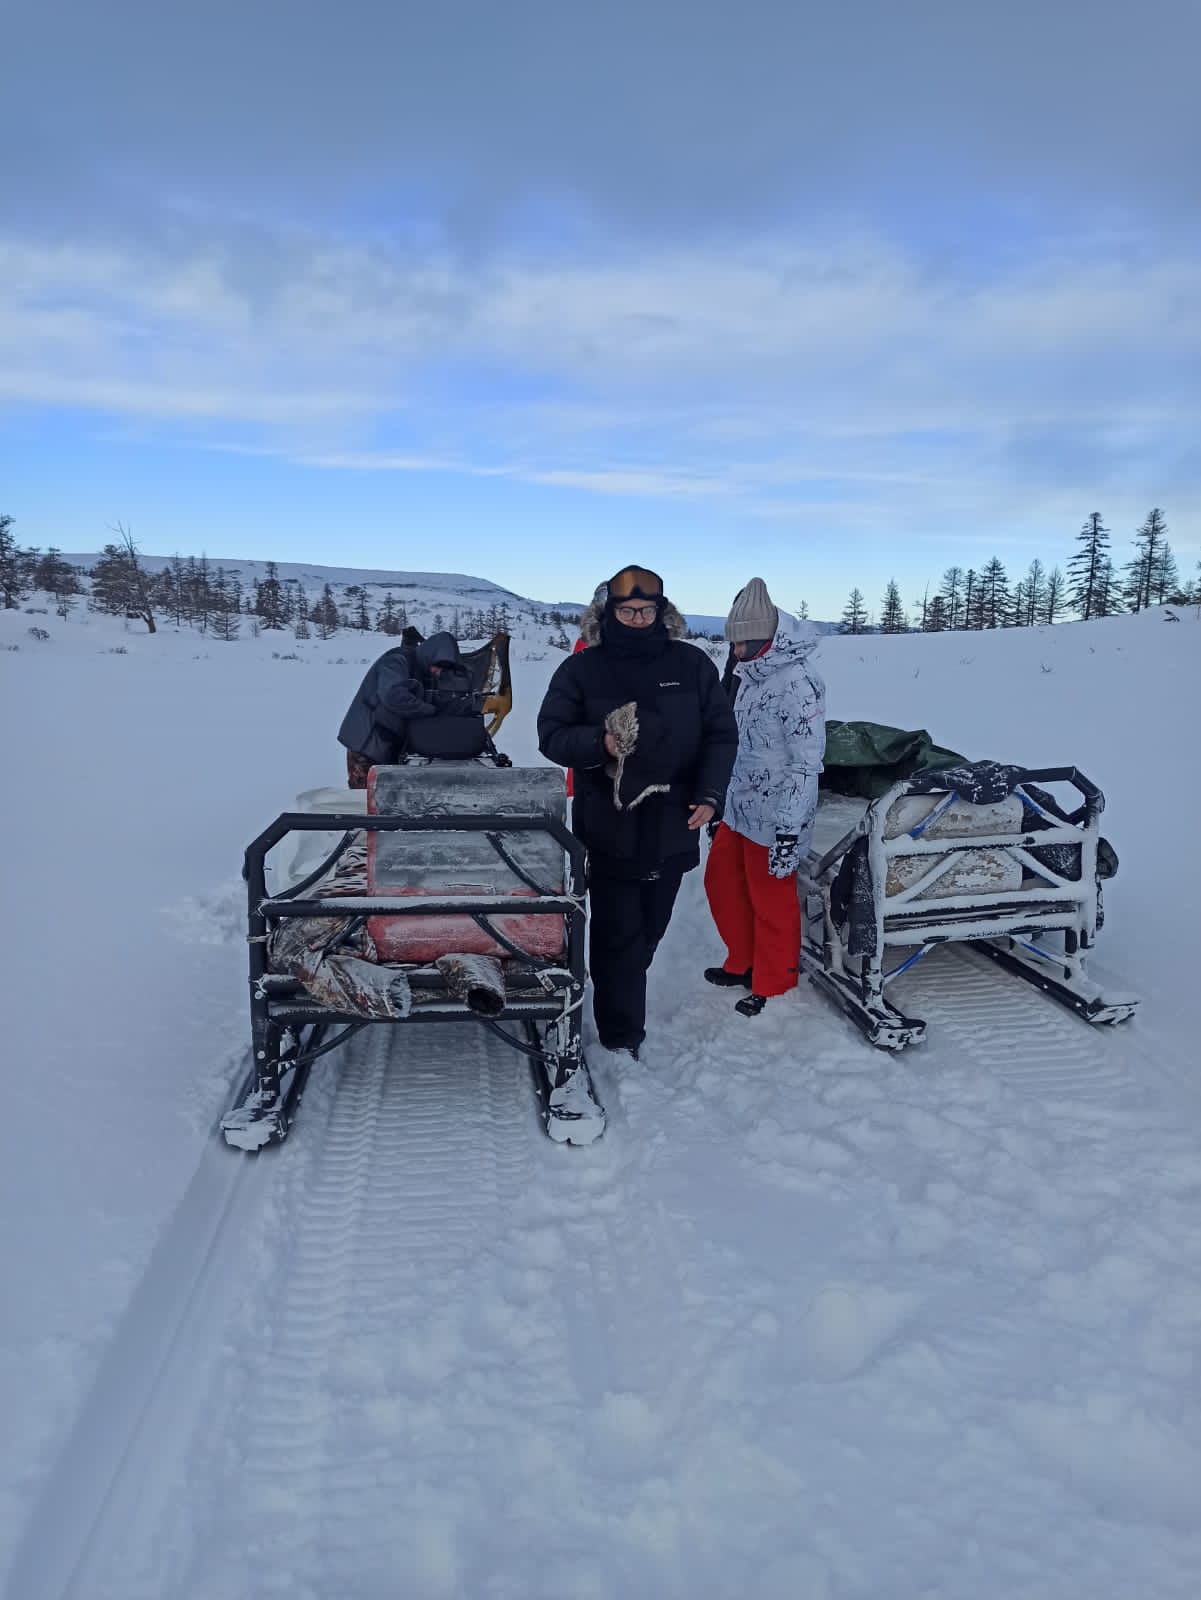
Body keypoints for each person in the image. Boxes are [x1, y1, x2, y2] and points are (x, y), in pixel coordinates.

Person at [537, 565, 738, 1058]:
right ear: (609, 612)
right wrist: (599, 743)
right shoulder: (583, 669)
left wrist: (712, 794)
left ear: (661, 611)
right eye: (626, 610)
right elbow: (551, 735)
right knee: (617, 932)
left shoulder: (691, 665)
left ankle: (619, 983)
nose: (636, 618)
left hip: (674, 821)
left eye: (646, 610)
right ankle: (621, 1032)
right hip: (609, 824)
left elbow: (720, 734)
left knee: (650, 928)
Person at [703, 577, 826, 1016]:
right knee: (721, 883)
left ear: (767, 638)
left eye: (743, 643)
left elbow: (806, 762)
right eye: (733, 644)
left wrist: (789, 830)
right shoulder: (750, 674)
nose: (735, 653)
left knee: (770, 899)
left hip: (777, 815)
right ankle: (743, 961)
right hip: (740, 805)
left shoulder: (797, 683)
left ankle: (774, 981)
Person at [338, 631, 484, 787]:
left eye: (443, 669)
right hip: (367, 742)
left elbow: (432, 699)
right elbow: (393, 696)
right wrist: (431, 711)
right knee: (365, 796)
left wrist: (464, 707)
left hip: (388, 740)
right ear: (429, 654)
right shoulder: (397, 660)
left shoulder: (423, 673)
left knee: (387, 797)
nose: (438, 671)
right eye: (438, 665)